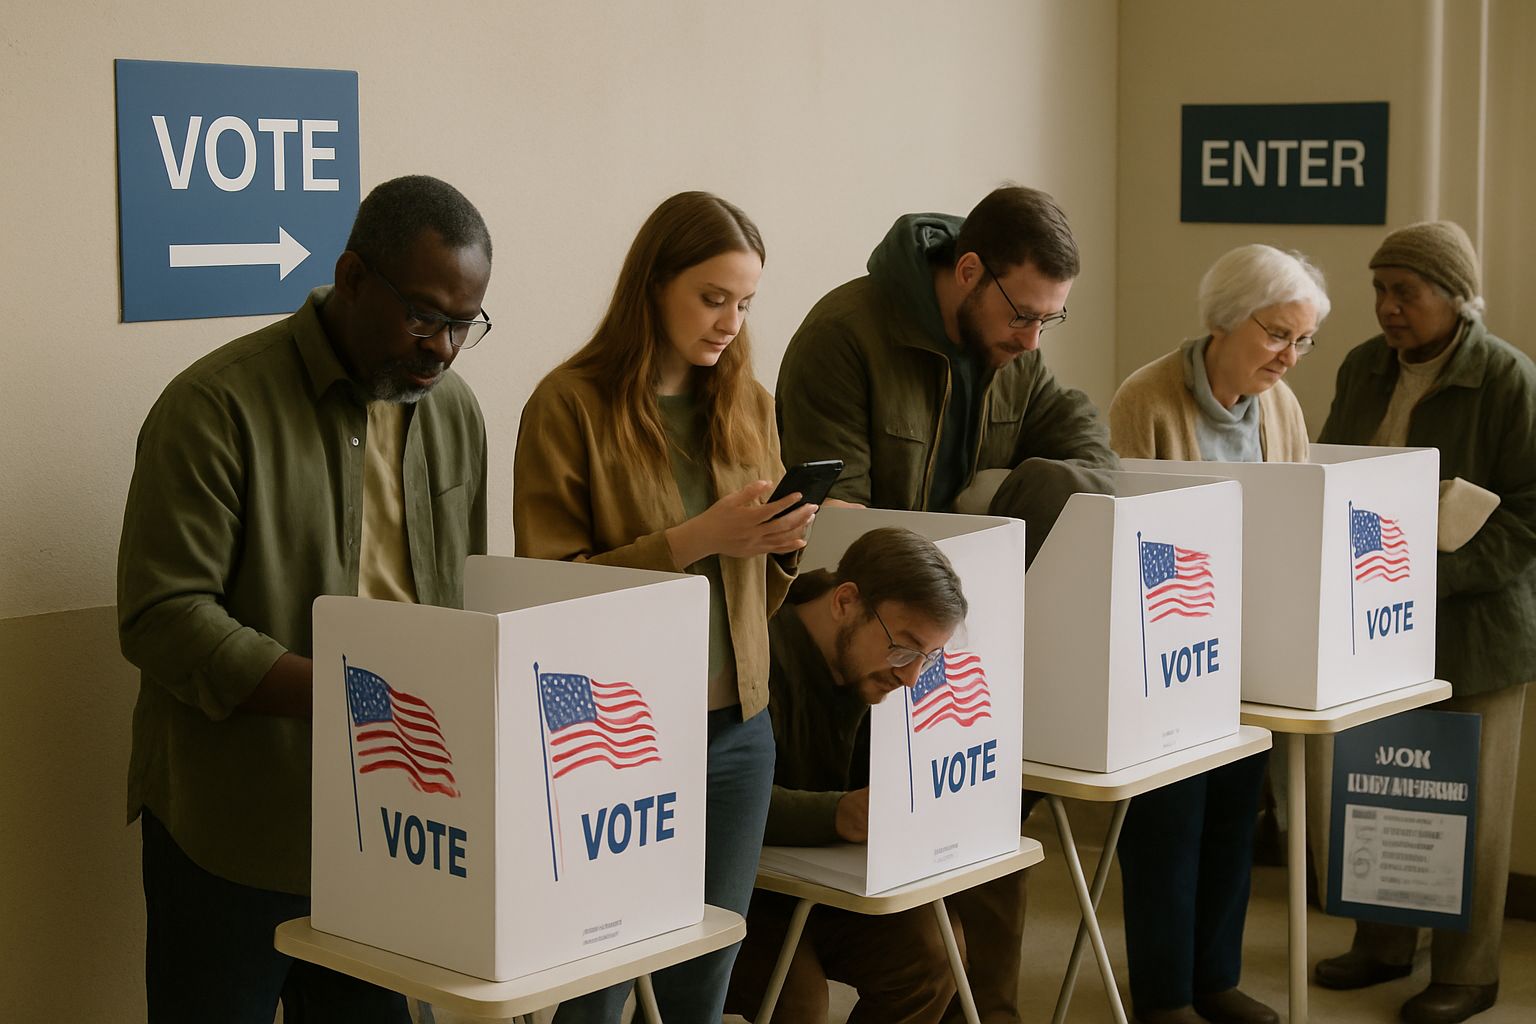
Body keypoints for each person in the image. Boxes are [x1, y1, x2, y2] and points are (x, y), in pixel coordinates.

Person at [117, 175, 494, 1023]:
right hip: (237, 829)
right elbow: (162, 616)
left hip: (397, 830)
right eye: (424, 316)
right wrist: (351, 694)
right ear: (352, 278)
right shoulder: (214, 406)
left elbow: (462, 590)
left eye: (464, 324)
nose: (443, 348)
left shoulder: (456, 412)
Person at [777, 184, 1116, 1023]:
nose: (1034, 339)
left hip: (948, 647)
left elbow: (1090, 453)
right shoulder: (844, 336)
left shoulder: (1012, 350)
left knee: (996, 840)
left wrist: (1005, 500)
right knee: (901, 928)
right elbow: (833, 539)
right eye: (1025, 315)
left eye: (1050, 322)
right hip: (854, 656)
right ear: (969, 271)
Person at [512, 191, 814, 1023]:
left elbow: (760, 590)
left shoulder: (748, 401)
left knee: (701, 980)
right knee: (599, 977)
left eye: (745, 303)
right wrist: (699, 538)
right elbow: (546, 590)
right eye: (712, 298)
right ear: (652, 285)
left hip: (739, 727)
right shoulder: (568, 404)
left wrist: (781, 545)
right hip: (616, 734)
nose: (730, 322)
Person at [1308, 221, 1536, 1024]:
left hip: (1475, 629)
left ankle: (1470, 973)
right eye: (1380, 289)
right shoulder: (1362, 367)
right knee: (1381, 784)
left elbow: (1529, 515)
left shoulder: (1508, 378)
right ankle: (1383, 945)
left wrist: (1433, 579)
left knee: (1468, 806)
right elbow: (1332, 471)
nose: (1387, 307)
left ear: (1454, 297)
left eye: (1406, 291)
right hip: (1377, 624)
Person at [1107, 244, 1330, 1024]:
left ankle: (1214, 979)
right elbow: (1130, 530)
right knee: (1170, 822)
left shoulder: (1281, 407)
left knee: (1238, 813)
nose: (1290, 358)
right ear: (1226, 321)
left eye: (1303, 340)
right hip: (1169, 639)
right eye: (1278, 335)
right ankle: (1165, 995)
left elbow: (1299, 514)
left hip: (1252, 637)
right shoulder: (1149, 396)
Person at [724, 526, 974, 1023]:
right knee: (798, 1002)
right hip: (734, 884)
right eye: (904, 648)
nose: (910, 677)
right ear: (845, 602)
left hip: (828, 878)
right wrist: (837, 814)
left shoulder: (877, 671)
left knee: (932, 958)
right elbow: (715, 800)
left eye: (928, 658)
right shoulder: (750, 650)